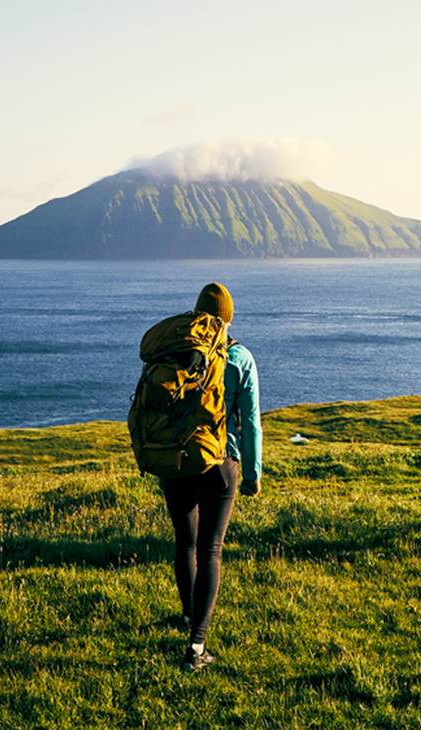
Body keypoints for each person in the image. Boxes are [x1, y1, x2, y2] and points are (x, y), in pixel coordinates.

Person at [159, 282, 262, 672]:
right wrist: (252, 473)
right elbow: (250, 421)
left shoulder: (173, 350)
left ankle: (188, 617)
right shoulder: (240, 358)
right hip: (220, 462)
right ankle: (197, 646)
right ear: (229, 317)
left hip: (177, 460)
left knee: (184, 542)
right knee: (211, 550)